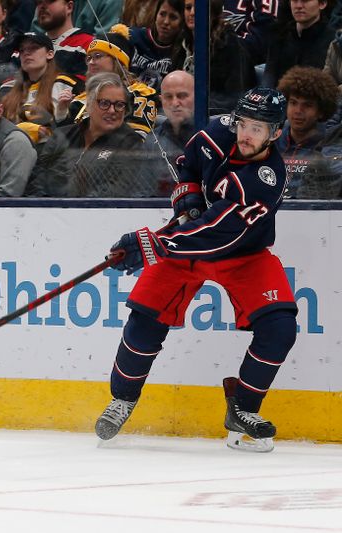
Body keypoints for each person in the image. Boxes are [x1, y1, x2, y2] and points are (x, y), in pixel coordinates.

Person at [96, 88, 297, 453]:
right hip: (190, 240)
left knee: (280, 327)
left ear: (277, 132)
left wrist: (152, 244)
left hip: (241, 253)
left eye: (258, 127)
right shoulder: (219, 131)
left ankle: (243, 408)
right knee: (145, 319)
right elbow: (188, 166)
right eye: (243, 123)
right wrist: (186, 197)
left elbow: (216, 233)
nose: (246, 134)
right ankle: (122, 398)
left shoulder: (265, 179)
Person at [27, 72, 144, 197]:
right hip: (47, 211)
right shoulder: (62, 135)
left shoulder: (130, 143)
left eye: (119, 105)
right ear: (88, 105)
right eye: (104, 103)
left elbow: (116, 191)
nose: (112, 110)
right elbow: (36, 182)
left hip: (96, 212)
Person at [69, 25, 158, 138]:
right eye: (89, 58)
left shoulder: (139, 93)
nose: (91, 62)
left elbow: (137, 139)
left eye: (97, 56)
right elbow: (64, 138)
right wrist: (61, 114)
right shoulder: (80, 99)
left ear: (117, 61)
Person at [174, 0, 255, 115]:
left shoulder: (228, 43)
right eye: (188, 8)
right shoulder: (182, 41)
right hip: (185, 110)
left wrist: (192, 104)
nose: (192, 13)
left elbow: (233, 98)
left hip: (216, 115)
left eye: (197, 8)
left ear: (213, 11)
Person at [275, 66, 340, 197]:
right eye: (293, 103)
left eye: (307, 105)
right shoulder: (270, 140)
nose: (298, 111)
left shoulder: (329, 146)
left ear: (321, 112)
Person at [0, 32, 77, 126]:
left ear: (50, 54)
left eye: (33, 48)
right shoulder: (10, 88)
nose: (26, 53)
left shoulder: (63, 83)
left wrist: (62, 112)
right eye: (22, 50)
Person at [143, 69, 195, 195]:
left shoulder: (213, 136)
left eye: (182, 96)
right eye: (168, 97)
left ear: (197, 96)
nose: (175, 103)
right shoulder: (151, 141)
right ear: (161, 99)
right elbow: (144, 192)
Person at [263, 0, 334, 89]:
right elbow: (269, 75)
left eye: (305, 1)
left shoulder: (332, 41)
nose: (299, 6)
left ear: (322, 4)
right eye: (294, 1)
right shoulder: (280, 34)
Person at [128, 0, 184, 82]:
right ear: (155, 15)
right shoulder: (132, 36)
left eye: (173, 17)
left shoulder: (182, 51)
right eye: (162, 14)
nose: (166, 22)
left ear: (182, 22)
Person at [36, 0, 92, 80]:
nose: (42, 6)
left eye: (49, 1)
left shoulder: (88, 44)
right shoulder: (27, 46)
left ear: (69, 7)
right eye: (38, 2)